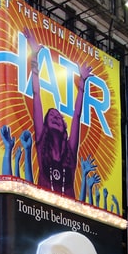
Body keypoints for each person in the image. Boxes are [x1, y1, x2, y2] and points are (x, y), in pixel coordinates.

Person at [25, 29, 91, 198]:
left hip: (69, 215)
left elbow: (76, 116)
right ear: (45, 124)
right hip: (40, 208)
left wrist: (82, 83)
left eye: (58, 118)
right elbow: (36, 94)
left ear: (63, 126)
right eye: (51, 117)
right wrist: (34, 56)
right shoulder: (41, 142)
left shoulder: (70, 149)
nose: (55, 118)